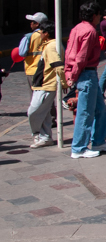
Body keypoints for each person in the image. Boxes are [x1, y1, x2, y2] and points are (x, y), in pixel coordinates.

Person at [65, 2, 106, 159]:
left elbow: (69, 51)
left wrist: (68, 72)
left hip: (86, 73)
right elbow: (81, 56)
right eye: (99, 15)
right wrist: (72, 76)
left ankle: (99, 140)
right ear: (94, 15)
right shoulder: (90, 31)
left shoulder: (77, 28)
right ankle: (79, 147)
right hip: (86, 73)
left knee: (99, 109)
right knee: (85, 112)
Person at [27, 20, 66, 148]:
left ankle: (38, 133)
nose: (40, 34)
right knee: (44, 113)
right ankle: (45, 137)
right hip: (42, 83)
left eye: (41, 32)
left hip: (46, 84)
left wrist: (64, 82)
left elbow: (58, 66)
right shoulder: (48, 45)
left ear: (46, 33)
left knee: (34, 111)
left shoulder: (51, 46)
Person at [22, 11, 57, 123]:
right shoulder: (50, 36)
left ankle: (39, 119)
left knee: (36, 97)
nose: (30, 24)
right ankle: (51, 118)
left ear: (37, 24)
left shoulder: (29, 36)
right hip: (47, 69)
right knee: (48, 95)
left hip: (32, 70)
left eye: (32, 22)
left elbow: (21, 53)